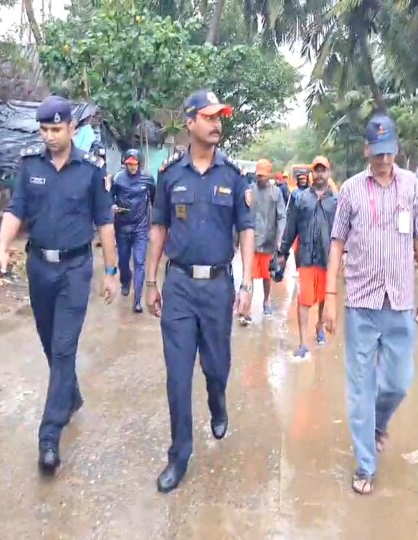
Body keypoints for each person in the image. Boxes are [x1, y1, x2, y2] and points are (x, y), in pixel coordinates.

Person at [0, 95, 119, 475]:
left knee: (64, 348)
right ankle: (71, 394)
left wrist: (111, 272)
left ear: (72, 129)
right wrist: (1, 250)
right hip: (39, 268)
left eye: (56, 129)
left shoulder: (91, 171)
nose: (49, 136)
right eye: (44, 129)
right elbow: (15, 210)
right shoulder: (30, 165)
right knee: (50, 344)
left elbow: (105, 223)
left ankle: (49, 435)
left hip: (75, 269)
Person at [145, 89, 254, 493]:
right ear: (190, 122)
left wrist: (246, 284)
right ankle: (180, 454)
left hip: (218, 289)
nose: (216, 123)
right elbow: (158, 228)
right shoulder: (171, 176)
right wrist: (151, 280)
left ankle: (218, 399)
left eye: (219, 117)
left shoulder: (233, 176)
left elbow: (246, 229)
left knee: (216, 366)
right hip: (179, 286)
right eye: (208, 117)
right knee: (177, 376)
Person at [323, 114, 418, 495]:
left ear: (396, 149)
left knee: (399, 381)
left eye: (390, 153)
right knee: (360, 387)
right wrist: (329, 298)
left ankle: (378, 422)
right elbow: (337, 243)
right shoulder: (352, 191)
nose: (384, 160)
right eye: (378, 153)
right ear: (367, 149)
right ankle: (365, 464)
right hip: (361, 303)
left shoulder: (412, 188)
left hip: (401, 302)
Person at [278, 156, 338, 360]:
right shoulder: (300, 199)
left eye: (323, 170)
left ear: (329, 173)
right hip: (305, 257)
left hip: (327, 258)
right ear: (312, 174)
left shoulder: (336, 202)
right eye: (317, 170)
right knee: (304, 299)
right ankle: (303, 343)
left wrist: (345, 256)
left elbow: (342, 233)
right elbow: (290, 227)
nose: (320, 174)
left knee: (322, 297)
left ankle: (319, 326)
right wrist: (282, 253)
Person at [111, 149, 156, 313]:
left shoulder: (148, 179)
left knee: (139, 262)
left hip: (140, 228)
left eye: (134, 164)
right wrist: (113, 206)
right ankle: (125, 281)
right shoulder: (118, 179)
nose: (132, 167)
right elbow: (110, 198)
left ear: (139, 163)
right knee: (123, 261)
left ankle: (137, 300)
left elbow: (154, 200)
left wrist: (155, 223)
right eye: (129, 164)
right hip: (122, 226)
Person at [248, 158, 286, 320]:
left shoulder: (276, 192)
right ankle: (246, 307)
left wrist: (280, 238)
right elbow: (243, 215)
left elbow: (282, 216)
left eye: (263, 175)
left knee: (266, 275)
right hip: (251, 240)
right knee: (248, 275)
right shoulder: (250, 191)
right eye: (258, 175)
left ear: (269, 174)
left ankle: (265, 301)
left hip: (268, 241)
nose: (260, 178)